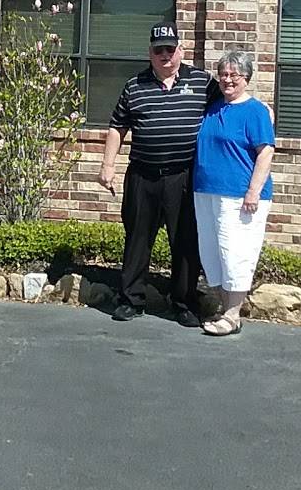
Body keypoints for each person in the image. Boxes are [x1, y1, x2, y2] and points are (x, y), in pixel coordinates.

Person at [98, 23, 216, 327]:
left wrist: (259, 111)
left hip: (183, 177)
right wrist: (108, 165)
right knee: (137, 240)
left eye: (170, 49)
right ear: (150, 53)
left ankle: (184, 303)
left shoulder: (203, 82)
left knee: (186, 242)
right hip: (143, 175)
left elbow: (230, 103)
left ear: (181, 51)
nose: (165, 55)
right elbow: (117, 126)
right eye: (158, 49)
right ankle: (131, 300)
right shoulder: (134, 86)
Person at [193, 50, 276, 338]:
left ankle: (232, 314)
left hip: (240, 196)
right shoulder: (213, 107)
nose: (228, 80)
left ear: (247, 78)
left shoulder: (255, 111)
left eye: (234, 75)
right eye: (223, 74)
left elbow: (265, 152)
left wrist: (253, 191)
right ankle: (226, 309)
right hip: (205, 192)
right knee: (211, 254)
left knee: (235, 253)